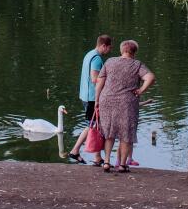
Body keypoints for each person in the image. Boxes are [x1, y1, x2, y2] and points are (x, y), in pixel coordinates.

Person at [94, 39, 156, 173]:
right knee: (126, 134)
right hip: (126, 103)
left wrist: (97, 100)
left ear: (122, 50)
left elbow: (100, 81)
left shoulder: (110, 62)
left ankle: (106, 162)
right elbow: (150, 77)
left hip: (107, 100)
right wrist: (141, 90)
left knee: (109, 133)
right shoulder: (137, 64)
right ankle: (122, 165)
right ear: (134, 52)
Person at [66, 34, 112, 165]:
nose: (109, 51)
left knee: (96, 125)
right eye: (109, 48)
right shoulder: (97, 58)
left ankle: (97, 157)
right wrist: (110, 82)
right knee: (92, 125)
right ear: (103, 46)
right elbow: (94, 79)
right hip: (92, 97)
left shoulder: (89, 54)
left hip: (85, 95)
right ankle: (75, 150)